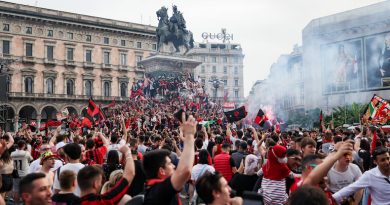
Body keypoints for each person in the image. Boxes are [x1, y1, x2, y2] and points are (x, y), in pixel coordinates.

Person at [142, 114, 196, 205]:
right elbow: (185, 171)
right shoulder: (158, 191)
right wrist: (190, 135)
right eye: (169, 164)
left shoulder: (155, 188)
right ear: (161, 171)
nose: (174, 165)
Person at [11, 140, 33, 204]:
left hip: (16, 173)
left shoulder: (12, 153)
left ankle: (16, 203)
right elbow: (31, 160)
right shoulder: (26, 153)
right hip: (25, 173)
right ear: (24, 145)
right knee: (26, 189)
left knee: (16, 189)